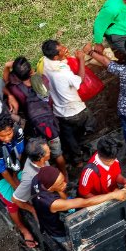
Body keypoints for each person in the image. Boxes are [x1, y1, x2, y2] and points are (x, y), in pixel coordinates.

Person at [31, 166, 126, 244]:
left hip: (47, 215)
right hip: (59, 232)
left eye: (63, 180)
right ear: (50, 188)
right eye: (60, 184)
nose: (65, 184)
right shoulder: (52, 203)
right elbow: (85, 202)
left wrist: (59, 189)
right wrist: (113, 195)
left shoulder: (37, 179)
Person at [4, 57, 67, 176]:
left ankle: (50, 178)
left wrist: (7, 66)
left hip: (35, 127)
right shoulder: (43, 79)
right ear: (31, 71)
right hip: (50, 123)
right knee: (57, 153)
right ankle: (65, 175)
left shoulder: (15, 89)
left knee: (42, 155)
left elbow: (6, 81)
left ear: (17, 77)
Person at [42, 39, 97, 169]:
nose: (64, 48)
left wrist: (64, 57)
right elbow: (80, 80)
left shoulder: (45, 62)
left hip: (59, 112)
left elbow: (61, 64)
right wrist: (81, 59)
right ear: (55, 57)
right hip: (75, 111)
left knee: (68, 135)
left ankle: (77, 159)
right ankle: (78, 145)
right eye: (61, 49)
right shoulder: (63, 73)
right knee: (91, 124)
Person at [0, 113, 34, 246]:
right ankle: (23, 229)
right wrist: (15, 186)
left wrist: (15, 175)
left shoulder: (18, 131)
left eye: (9, 134)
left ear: (13, 129)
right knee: (13, 203)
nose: (6, 138)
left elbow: (19, 153)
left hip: (13, 167)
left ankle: (32, 208)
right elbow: (2, 170)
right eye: (2, 136)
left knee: (32, 183)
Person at [11, 137, 51, 248]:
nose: (50, 151)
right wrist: (32, 209)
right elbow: (15, 199)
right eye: (48, 151)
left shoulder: (36, 158)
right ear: (41, 158)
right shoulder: (30, 178)